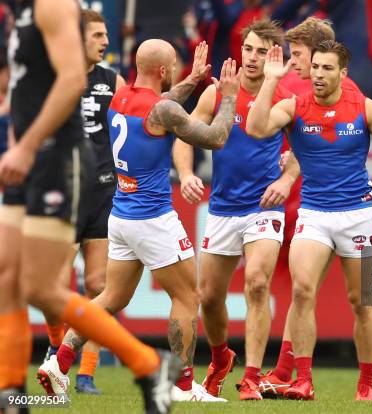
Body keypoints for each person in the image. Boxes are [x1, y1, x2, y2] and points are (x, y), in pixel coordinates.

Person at [0, 1, 182, 413]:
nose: (101, 41)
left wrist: (26, 148)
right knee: (8, 278)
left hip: (58, 160)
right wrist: (16, 147)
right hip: (30, 159)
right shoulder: (20, 11)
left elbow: (69, 81)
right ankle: (11, 393)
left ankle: (149, 364)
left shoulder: (52, 6)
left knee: (42, 286)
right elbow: (24, 89)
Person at [36, 39, 240, 403]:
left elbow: (160, 108)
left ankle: (59, 361)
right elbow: (216, 137)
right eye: (174, 65)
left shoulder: (121, 97)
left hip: (122, 215)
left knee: (111, 296)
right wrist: (228, 95)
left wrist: (192, 79)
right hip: (153, 217)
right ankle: (180, 386)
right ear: (163, 71)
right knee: (187, 296)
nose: (176, 70)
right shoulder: (162, 110)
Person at [247, 41, 372, 401]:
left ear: (343, 73)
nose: (319, 75)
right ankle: (303, 380)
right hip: (314, 212)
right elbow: (257, 128)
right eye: (316, 68)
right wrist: (270, 81)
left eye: (328, 69)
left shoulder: (364, 108)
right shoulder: (295, 106)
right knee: (302, 289)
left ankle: (366, 386)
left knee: (362, 300)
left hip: (357, 215)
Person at [173, 19, 298, 401]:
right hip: (224, 208)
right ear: (240, 50)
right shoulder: (217, 93)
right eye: (249, 49)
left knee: (258, 281)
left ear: (275, 56)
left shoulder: (284, 97)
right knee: (208, 297)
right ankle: (221, 356)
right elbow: (184, 133)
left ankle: (253, 377)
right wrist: (186, 172)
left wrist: (286, 179)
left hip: (264, 206)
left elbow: (307, 150)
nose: (254, 57)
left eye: (263, 51)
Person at [258, 16, 365, 398]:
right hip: (317, 205)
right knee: (304, 290)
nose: (293, 61)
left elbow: (329, 138)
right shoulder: (296, 87)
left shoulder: (343, 88)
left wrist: (288, 178)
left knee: (368, 297)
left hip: (349, 205)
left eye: (299, 54)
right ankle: (291, 371)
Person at [39, 9, 126, 395]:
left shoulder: (113, 81)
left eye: (106, 35)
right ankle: (57, 349)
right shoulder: (55, 79)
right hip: (64, 192)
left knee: (97, 284)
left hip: (105, 191)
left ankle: (85, 373)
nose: (104, 41)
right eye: (96, 36)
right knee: (52, 285)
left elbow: (130, 131)